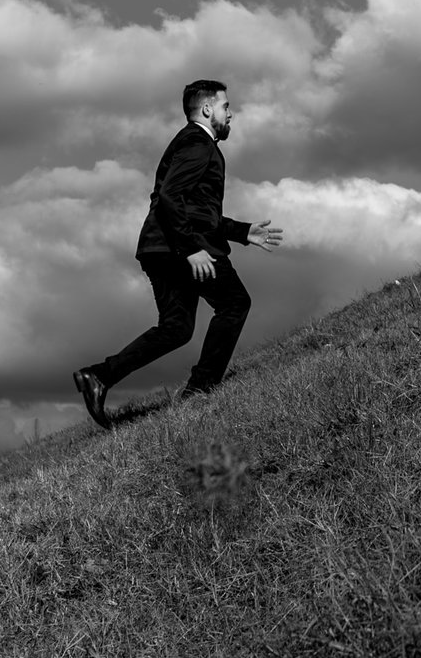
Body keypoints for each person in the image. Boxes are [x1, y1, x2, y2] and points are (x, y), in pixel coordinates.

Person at [76, 80, 283, 426]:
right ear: (206, 109)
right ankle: (201, 388)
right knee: (234, 303)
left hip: (160, 247)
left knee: (176, 328)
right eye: (226, 106)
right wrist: (191, 249)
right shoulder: (198, 144)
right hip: (180, 247)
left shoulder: (192, 143)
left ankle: (99, 377)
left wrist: (243, 231)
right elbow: (172, 197)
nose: (231, 114)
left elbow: (195, 208)